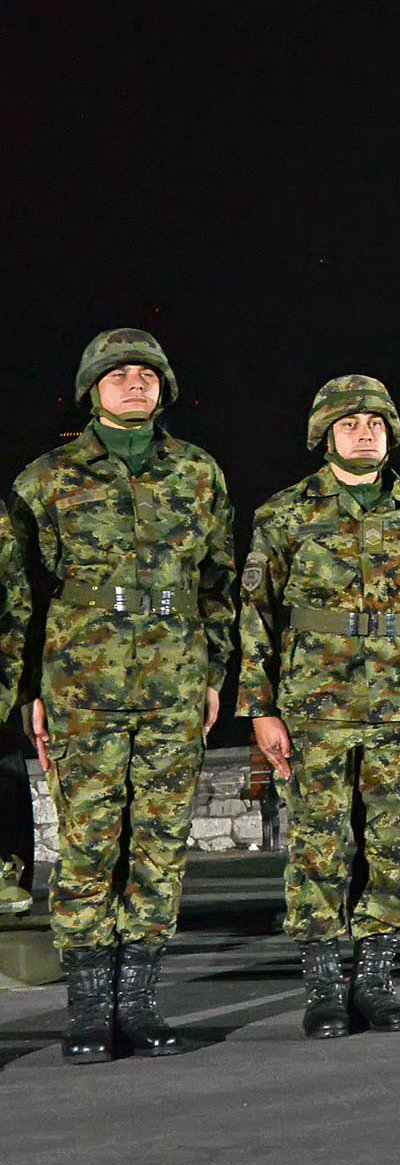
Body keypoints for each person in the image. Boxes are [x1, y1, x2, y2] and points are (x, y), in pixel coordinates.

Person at [2, 329, 235, 1062]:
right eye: (118, 374)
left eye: (146, 374)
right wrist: (26, 688)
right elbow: (18, 595)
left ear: (164, 388)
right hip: (81, 685)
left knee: (161, 844)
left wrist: (212, 674)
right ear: (90, 389)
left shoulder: (198, 474)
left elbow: (219, 584)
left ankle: (139, 1003)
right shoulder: (46, 480)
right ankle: (88, 1009)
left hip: (172, 681)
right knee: (90, 842)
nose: (134, 383)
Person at [240, 375, 400, 1037]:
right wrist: (260, 707)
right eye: (349, 423)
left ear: (391, 433)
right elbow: (252, 615)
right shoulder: (285, 514)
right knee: (318, 848)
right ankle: (322, 990)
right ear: (325, 434)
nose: (364, 432)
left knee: (393, 846)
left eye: (375, 422)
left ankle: (376, 983)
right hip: (313, 709)